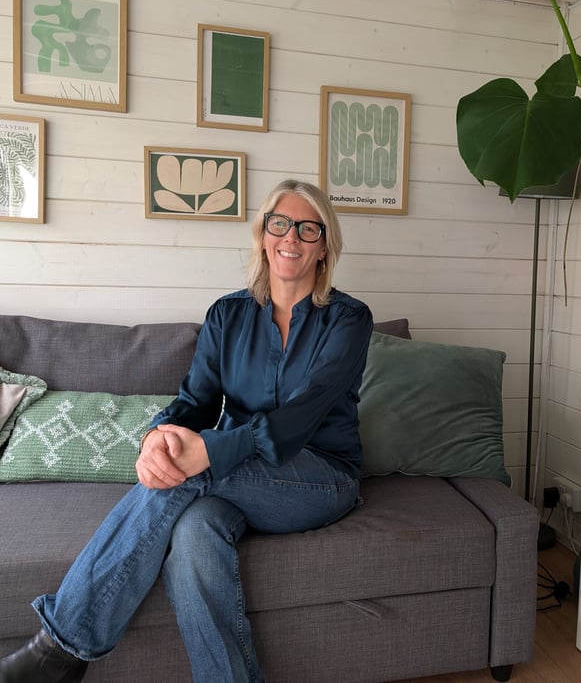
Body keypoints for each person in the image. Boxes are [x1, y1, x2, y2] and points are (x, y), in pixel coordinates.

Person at [0, 179, 373, 683]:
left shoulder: (348, 320)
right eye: (279, 223)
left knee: (189, 471)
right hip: (240, 476)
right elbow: (196, 402)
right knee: (194, 536)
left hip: (320, 476)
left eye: (309, 228)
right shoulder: (228, 314)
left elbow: (303, 415)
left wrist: (209, 454)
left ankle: (60, 649)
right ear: (263, 235)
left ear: (324, 245)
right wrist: (160, 436)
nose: (292, 237)